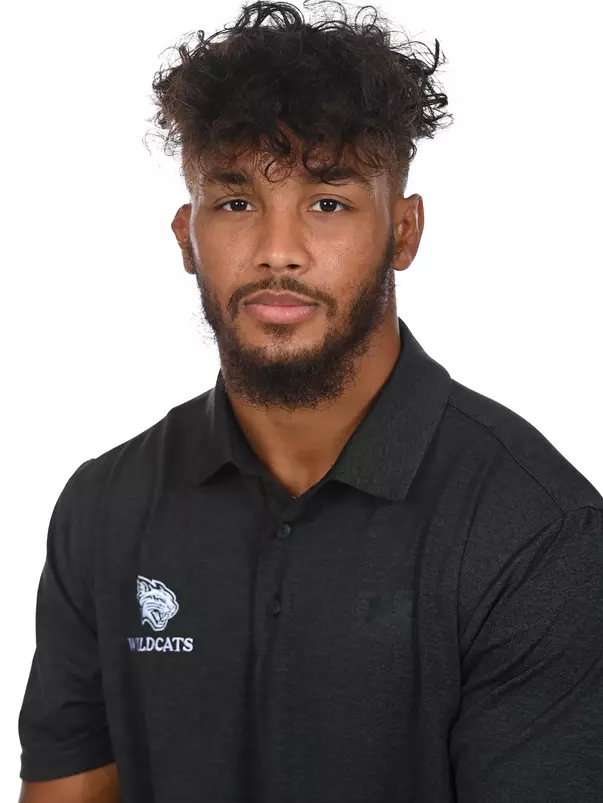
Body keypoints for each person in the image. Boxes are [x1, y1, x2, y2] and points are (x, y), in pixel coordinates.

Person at [17, 1, 603, 801]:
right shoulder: (103, 506)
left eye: (327, 202)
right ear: (187, 237)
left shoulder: (534, 531)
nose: (277, 250)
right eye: (236, 203)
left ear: (403, 231)